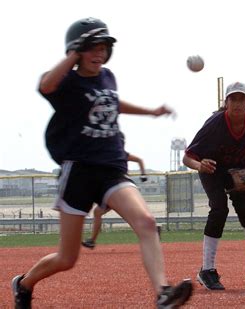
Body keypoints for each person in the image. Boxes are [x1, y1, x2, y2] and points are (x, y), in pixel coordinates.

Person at [11, 17, 192, 309]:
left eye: (104, 47)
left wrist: (151, 112)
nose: (99, 53)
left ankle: (162, 293)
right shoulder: (67, 81)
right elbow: (45, 86)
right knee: (67, 258)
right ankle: (23, 284)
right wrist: (72, 54)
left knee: (146, 222)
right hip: (79, 170)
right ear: (77, 50)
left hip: (110, 168)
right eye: (92, 47)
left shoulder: (108, 76)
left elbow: (112, 103)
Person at [183, 82, 245, 290]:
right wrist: (199, 165)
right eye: (233, 99)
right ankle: (207, 270)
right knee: (219, 208)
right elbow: (187, 157)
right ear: (226, 102)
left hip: (239, 171)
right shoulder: (214, 124)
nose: (237, 103)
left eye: (241, 99)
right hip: (212, 170)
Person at [82, 132, 148, 249]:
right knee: (99, 212)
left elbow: (139, 160)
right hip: (119, 188)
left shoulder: (115, 153)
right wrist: (143, 174)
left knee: (127, 216)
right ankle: (149, 232)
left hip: (118, 188)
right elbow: (139, 160)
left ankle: (149, 233)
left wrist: (143, 175)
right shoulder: (116, 153)